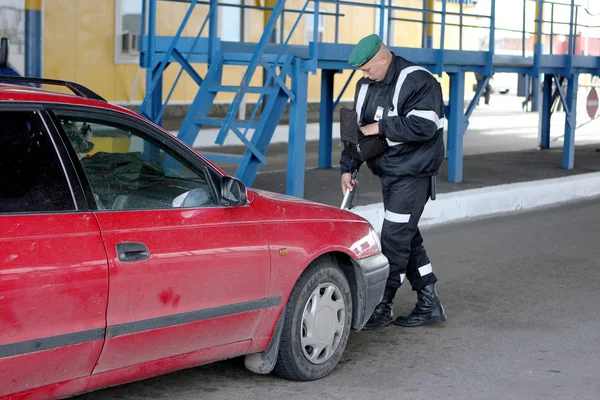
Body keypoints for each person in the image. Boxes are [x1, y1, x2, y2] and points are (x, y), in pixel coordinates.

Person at [340, 34, 446, 330]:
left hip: (412, 176)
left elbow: (426, 125)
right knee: (407, 237)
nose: (364, 75)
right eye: (361, 70)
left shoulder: (418, 80)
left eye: (367, 68)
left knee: (393, 239)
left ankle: (381, 306)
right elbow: (357, 133)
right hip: (390, 173)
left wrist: (381, 126)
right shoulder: (366, 86)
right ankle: (429, 302)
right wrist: (348, 168)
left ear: (383, 58)